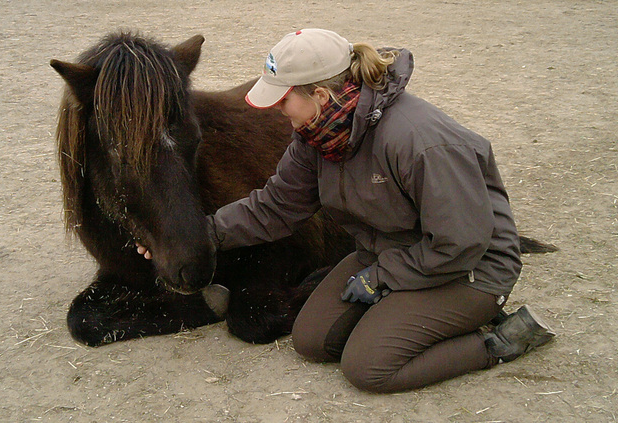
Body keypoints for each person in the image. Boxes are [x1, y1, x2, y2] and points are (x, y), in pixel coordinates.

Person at [139, 28, 555, 393]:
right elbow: (277, 205)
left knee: (369, 367)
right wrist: (203, 233)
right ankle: (403, 322)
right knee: (312, 341)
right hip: (389, 250)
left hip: (468, 268)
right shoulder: (317, 135)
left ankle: (497, 342)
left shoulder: (420, 141)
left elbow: (461, 242)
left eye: (283, 100)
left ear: (319, 95)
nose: (277, 112)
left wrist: (382, 277)